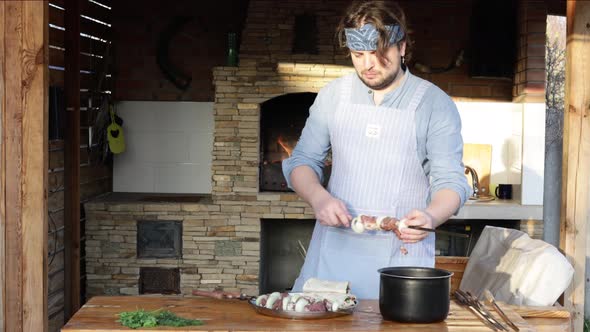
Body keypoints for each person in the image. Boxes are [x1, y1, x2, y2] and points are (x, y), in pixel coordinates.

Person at [281, 0, 472, 300]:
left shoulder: (434, 104)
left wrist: (431, 216)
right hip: (333, 256)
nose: (367, 65)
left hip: (400, 262)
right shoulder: (334, 96)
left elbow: (451, 182)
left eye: (379, 54)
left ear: (402, 47)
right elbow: (302, 162)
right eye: (358, 55)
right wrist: (318, 198)